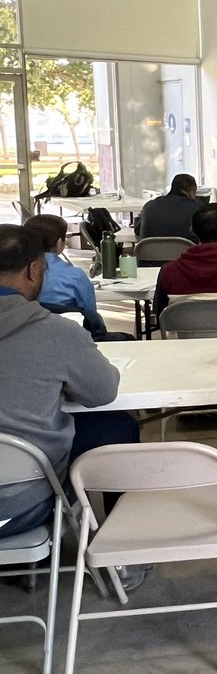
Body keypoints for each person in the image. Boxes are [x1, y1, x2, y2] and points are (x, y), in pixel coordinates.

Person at [0, 224, 141, 591]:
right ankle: (123, 551)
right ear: (34, 270)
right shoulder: (55, 333)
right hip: (21, 505)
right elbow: (102, 391)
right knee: (119, 429)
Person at [24, 214, 98, 318]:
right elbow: (91, 315)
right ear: (59, 243)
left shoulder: (13, 272)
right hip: (66, 330)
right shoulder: (75, 276)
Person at [134, 173, 201, 239]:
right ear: (192, 191)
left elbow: (137, 229)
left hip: (152, 249)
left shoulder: (149, 206)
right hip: (184, 249)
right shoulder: (197, 209)